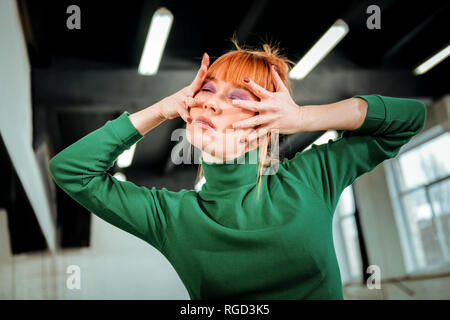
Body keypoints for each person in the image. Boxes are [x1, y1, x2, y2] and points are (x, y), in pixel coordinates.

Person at [49, 41, 426, 299]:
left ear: (266, 122)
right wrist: (161, 108)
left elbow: (410, 119)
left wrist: (302, 117)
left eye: (237, 98)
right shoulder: (172, 217)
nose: (211, 103)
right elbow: (70, 170)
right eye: (207, 90)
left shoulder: (309, 179)